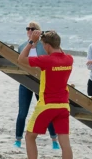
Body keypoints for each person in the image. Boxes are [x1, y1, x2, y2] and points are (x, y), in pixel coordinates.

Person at [18, 30, 74, 159]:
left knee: (29, 137)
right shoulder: (69, 59)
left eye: (43, 45)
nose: (43, 47)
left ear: (48, 45)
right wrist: (51, 37)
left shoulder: (46, 60)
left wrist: (32, 41)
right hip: (64, 106)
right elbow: (59, 50)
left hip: (47, 105)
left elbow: (21, 59)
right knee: (65, 142)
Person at [14, 21, 59, 150]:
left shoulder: (44, 47)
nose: (29, 31)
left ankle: (54, 140)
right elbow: (20, 62)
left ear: (38, 32)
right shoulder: (22, 46)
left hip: (42, 83)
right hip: (25, 82)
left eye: (32, 29)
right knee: (22, 112)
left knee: (47, 111)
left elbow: (53, 60)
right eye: (27, 28)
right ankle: (17, 140)